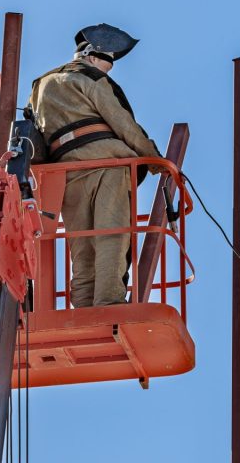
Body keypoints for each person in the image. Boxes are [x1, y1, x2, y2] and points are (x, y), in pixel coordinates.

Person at [28, 24, 161, 308]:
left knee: (81, 245)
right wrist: (155, 160)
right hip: (107, 163)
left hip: (66, 173)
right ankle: (109, 302)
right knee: (111, 234)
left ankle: (83, 307)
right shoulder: (90, 79)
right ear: (91, 55)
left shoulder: (40, 86)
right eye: (106, 63)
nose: (107, 71)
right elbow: (124, 125)